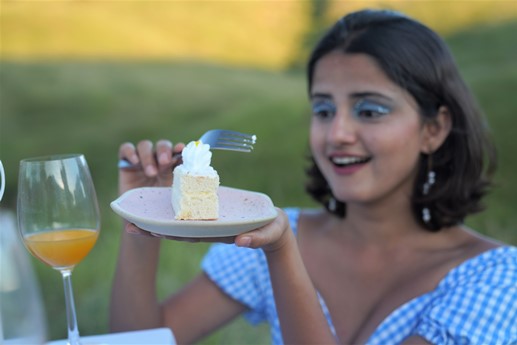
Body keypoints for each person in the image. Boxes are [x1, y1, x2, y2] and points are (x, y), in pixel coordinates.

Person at [110, 9, 517, 344]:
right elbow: (139, 342)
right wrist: (148, 214)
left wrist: (284, 253)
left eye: (369, 110)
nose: (337, 133)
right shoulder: (262, 231)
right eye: (323, 110)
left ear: (434, 129)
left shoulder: (494, 279)